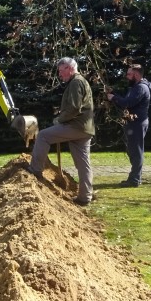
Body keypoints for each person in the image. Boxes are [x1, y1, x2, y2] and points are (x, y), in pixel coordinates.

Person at [28, 57, 95, 206]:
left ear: (69, 68)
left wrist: (60, 120)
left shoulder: (76, 82)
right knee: (83, 164)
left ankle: (35, 169)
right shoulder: (80, 81)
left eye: (61, 70)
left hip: (76, 126)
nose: (59, 74)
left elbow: (74, 108)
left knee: (44, 136)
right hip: (86, 128)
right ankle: (85, 197)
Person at [106, 63, 151, 187]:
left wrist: (113, 98)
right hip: (135, 123)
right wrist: (114, 94)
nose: (127, 76)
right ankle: (135, 178)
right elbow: (127, 100)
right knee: (133, 150)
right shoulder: (136, 87)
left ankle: (135, 180)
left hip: (137, 123)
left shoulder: (140, 88)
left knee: (136, 151)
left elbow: (128, 103)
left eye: (129, 74)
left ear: (136, 74)